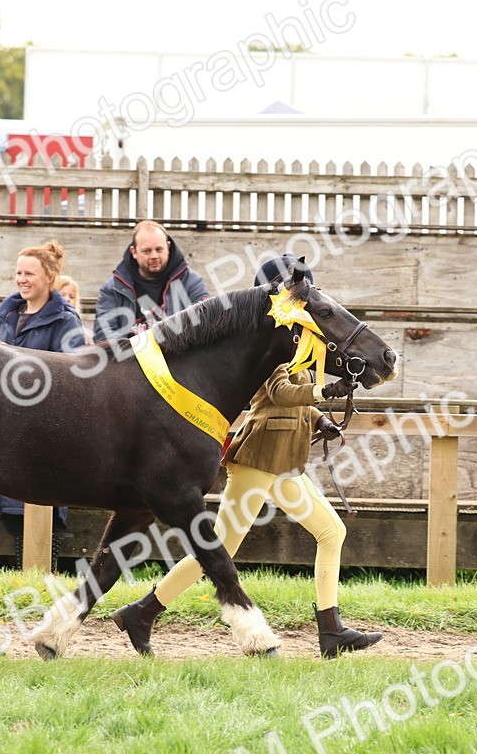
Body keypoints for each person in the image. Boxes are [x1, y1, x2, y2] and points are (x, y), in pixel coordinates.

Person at [110, 254, 384, 659]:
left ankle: (331, 631)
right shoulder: (264, 340)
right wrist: (324, 393)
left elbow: (296, 399)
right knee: (220, 548)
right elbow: (277, 393)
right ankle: (143, 611)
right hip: (259, 458)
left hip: (285, 460)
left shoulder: (300, 338)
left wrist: (318, 419)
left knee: (331, 532)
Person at [0, 241, 85, 565]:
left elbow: (72, 372)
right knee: (9, 513)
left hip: (39, 427)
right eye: (18, 272)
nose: (21, 279)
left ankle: (39, 578)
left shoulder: (66, 320)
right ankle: (25, 579)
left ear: (49, 277)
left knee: (40, 511)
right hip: (3, 423)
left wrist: (16, 359)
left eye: (29, 273)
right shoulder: (5, 314)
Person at [93, 220, 209, 342]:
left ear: (168, 247)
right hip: (131, 358)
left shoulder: (192, 283)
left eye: (159, 249)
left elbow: (205, 326)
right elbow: (104, 335)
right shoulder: (112, 288)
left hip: (179, 357)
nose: (154, 256)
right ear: (134, 252)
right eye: (146, 251)